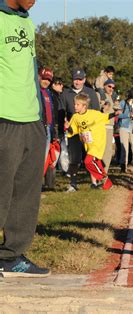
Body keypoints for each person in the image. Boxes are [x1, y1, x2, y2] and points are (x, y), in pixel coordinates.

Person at [0, 0, 50, 277]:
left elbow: (30, 72)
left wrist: (40, 115)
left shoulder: (27, 22)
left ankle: (10, 256)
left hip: (31, 119)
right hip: (3, 118)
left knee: (27, 194)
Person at [64, 93, 117, 190]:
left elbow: (105, 117)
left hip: (97, 143)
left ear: (84, 106)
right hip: (88, 145)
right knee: (97, 163)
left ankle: (103, 178)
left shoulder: (94, 114)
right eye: (74, 104)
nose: (75, 106)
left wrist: (115, 114)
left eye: (77, 105)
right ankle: (107, 184)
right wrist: (68, 128)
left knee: (88, 161)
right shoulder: (75, 117)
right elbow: (73, 131)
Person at [63, 68, 100, 192]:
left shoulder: (91, 93)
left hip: (88, 131)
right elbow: (62, 112)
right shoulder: (66, 93)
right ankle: (73, 184)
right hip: (74, 132)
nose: (77, 82)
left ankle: (94, 182)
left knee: (90, 157)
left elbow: (97, 112)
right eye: (75, 79)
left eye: (80, 79)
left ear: (84, 80)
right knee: (74, 159)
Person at [39, 67, 57, 191]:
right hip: (40, 128)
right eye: (44, 79)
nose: (46, 82)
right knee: (38, 158)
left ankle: (41, 184)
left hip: (48, 129)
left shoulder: (49, 93)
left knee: (45, 158)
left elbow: (51, 112)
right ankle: (35, 185)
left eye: (49, 80)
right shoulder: (35, 91)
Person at [117, 87, 133, 174]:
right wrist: (128, 114)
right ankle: (123, 167)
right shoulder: (123, 103)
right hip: (124, 127)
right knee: (124, 148)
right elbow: (118, 115)